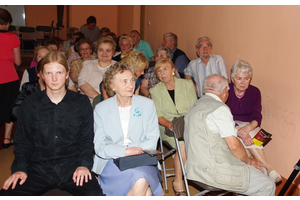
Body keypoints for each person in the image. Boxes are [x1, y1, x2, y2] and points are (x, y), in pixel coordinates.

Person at [0, 51, 103, 196]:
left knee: (95, 195)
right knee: (6, 195)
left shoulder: (81, 103)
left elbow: (86, 140)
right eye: (49, 73)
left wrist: (83, 165)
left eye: (59, 73)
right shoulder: (30, 104)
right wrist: (20, 168)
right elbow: (22, 142)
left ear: (67, 74)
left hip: (71, 166)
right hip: (38, 167)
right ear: (41, 75)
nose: (54, 78)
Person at [184, 74, 275, 196]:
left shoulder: (194, 107)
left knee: (255, 169)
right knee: (267, 184)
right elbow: (234, 146)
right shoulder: (219, 109)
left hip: (193, 170)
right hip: (212, 173)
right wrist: (249, 162)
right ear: (224, 91)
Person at [92, 61, 163, 196]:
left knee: (141, 179)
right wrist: (125, 151)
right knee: (144, 189)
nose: (131, 85)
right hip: (112, 161)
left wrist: (134, 151)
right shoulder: (101, 109)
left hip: (142, 159)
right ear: (112, 85)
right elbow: (100, 146)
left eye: (132, 80)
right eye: (124, 81)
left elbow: (152, 138)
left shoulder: (147, 105)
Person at [226, 60, 282, 183]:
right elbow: (224, 115)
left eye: (246, 79)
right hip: (231, 124)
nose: (243, 82)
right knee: (248, 142)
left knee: (254, 139)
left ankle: (256, 179)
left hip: (249, 126)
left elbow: (257, 116)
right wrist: (239, 130)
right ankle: (268, 168)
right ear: (232, 78)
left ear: (250, 79)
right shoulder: (226, 90)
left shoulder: (255, 92)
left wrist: (248, 128)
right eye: (239, 78)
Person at [149, 58, 197, 196]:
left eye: (165, 69)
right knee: (183, 145)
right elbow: (158, 116)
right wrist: (171, 125)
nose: (162, 73)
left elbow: (194, 108)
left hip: (188, 122)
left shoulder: (187, 84)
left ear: (173, 70)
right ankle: (178, 182)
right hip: (168, 126)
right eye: (159, 70)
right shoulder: (155, 91)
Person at [0, 8, 22, 149]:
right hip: (8, 76)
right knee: (9, 107)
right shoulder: (13, 37)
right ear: (8, 23)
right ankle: (7, 139)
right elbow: (19, 62)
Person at [78, 37, 117, 103]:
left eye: (108, 50)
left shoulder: (118, 67)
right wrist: (99, 99)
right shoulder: (88, 65)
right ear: (97, 51)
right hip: (88, 103)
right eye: (101, 50)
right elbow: (82, 83)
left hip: (112, 103)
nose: (104, 53)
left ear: (113, 52)